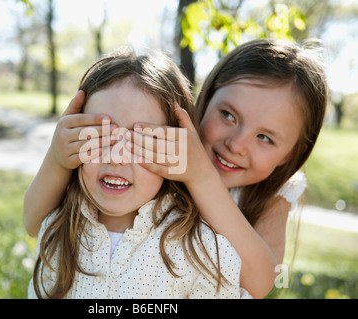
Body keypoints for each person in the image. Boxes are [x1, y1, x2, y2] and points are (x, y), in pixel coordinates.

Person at [24, 39, 328, 298]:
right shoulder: (151, 164)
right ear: (204, 102)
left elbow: (261, 282)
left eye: (265, 137)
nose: (236, 144)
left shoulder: (275, 196)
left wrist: (201, 177)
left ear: (291, 154)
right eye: (228, 115)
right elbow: (37, 224)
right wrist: (57, 157)